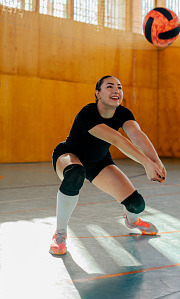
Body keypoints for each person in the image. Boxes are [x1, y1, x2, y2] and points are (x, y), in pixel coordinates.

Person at [49, 75, 167, 255]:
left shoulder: (123, 113)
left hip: (99, 163)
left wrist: (156, 162)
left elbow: (136, 135)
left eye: (119, 87)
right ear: (98, 94)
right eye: (110, 87)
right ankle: (60, 235)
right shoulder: (87, 113)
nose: (116, 91)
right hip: (70, 156)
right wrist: (146, 163)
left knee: (136, 204)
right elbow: (116, 139)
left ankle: (133, 221)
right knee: (75, 175)